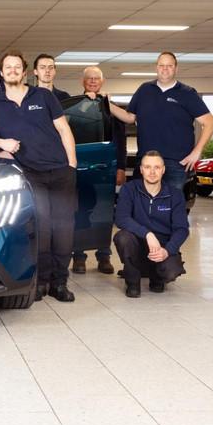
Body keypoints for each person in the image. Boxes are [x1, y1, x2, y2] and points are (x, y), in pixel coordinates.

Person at [0, 51, 78, 302]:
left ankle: (60, 283)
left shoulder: (43, 96)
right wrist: (3, 142)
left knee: (64, 230)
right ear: (1, 72)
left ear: (24, 71)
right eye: (8, 67)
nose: (12, 70)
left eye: (17, 66)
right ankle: (41, 282)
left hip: (60, 170)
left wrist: (72, 164)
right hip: (30, 175)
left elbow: (64, 129)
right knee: (42, 230)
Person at [108, 51, 213, 192]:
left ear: (176, 68)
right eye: (162, 65)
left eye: (169, 66)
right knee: (140, 202)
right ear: (156, 67)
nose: (165, 69)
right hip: (146, 160)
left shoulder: (187, 93)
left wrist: (197, 151)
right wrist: (106, 104)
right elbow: (130, 117)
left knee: (170, 203)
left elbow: (210, 123)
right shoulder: (144, 90)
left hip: (176, 163)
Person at [72, 65, 127, 275]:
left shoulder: (111, 108)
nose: (93, 81)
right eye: (90, 78)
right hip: (80, 168)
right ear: (83, 82)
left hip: (106, 168)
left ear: (102, 81)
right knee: (80, 212)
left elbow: (120, 140)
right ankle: (79, 257)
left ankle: (104, 256)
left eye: (97, 78)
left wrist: (121, 167)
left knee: (104, 213)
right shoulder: (75, 107)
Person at [113, 151, 188, 298]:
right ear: (141, 170)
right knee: (122, 237)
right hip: (137, 244)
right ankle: (133, 281)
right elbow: (121, 218)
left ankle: (157, 277)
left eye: (157, 167)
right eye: (147, 167)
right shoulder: (129, 189)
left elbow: (182, 229)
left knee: (170, 271)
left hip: (162, 247)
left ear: (163, 170)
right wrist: (147, 234)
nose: (152, 172)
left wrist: (167, 250)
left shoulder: (175, 195)